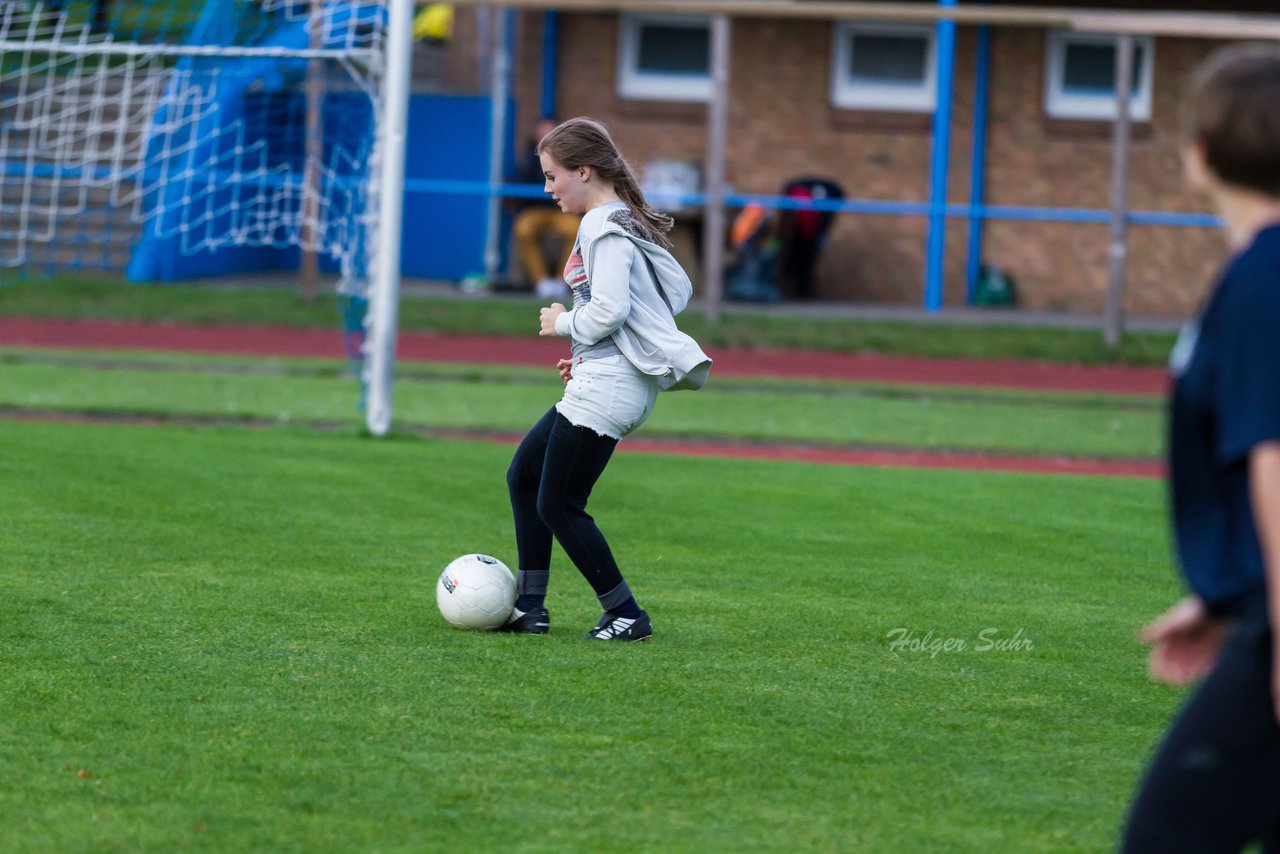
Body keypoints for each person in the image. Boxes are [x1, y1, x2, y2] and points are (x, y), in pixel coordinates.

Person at [1122, 44, 1280, 852]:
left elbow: (1276, 460)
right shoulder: (1257, 272)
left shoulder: (1265, 279)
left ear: (1202, 154)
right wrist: (1225, 598)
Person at [501, 117, 712, 641]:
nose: (548, 189)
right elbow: (636, 311)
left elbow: (611, 309)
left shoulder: (602, 225)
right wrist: (586, 355)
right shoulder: (616, 220)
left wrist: (563, 323)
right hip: (604, 377)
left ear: (585, 170)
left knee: (558, 503)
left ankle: (626, 614)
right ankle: (530, 607)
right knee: (524, 478)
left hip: (611, 386)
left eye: (553, 176)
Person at [511, 116, 580, 299]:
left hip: (561, 210)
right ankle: (541, 283)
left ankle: (562, 281)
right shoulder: (527, 158)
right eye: (543, 132)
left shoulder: (567, 158)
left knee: (577, 229)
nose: (547, 136)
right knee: (523, 228)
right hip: (535, 211)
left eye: (552, 132)